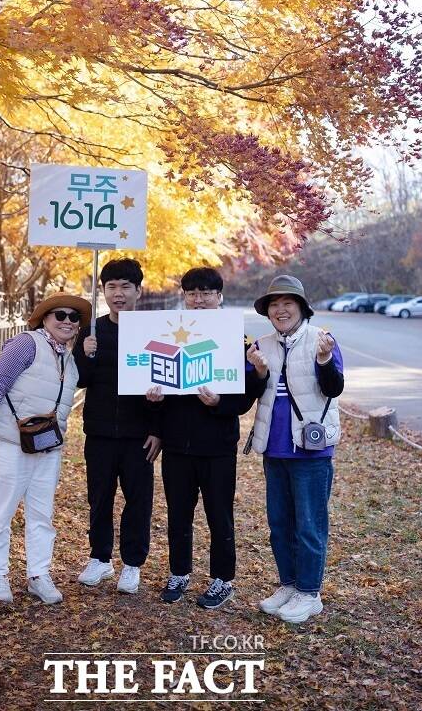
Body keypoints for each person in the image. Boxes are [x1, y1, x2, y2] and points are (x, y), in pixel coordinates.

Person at [0, 292, 91, 605]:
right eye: (60, 315)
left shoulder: (68, 358)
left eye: (74, 317)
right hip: (11, 445)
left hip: (48, 447)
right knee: (2, 511)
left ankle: (38, 574)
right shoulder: (26, 344)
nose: (68, 321)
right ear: (44, 317)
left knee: (42, 514)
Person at [147, 267, 269, 609]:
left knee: (219, 514)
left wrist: (220, 403)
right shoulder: (169, 334)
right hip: (176, 445)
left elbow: (246, 395)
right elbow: (152, 380)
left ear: (219, 297)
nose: (198, 300)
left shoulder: (238, 339)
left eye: (206, 293)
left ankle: (222, 579)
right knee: (178, 513)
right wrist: (153, 401)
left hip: (217, 445)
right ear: (184, 298)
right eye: (192, 293)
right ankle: (179, 572)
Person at [250, 275, 344, 623]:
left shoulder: (322, 340)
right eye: (274, 304)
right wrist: (257, 372)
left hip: (310, 449)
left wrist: (324, 360)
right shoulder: (262, 344)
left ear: (302, 308)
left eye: (287, 303)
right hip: (274, 449)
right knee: (279, 523)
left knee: (309, 524)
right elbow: (252, 392)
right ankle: (288, 585)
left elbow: (334, 388)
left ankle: (309, 593)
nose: (280, 309)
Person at [73, 258, 161, 595]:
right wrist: (85, 353)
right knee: (99, 498)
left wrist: (157, 429)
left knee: (138, 500)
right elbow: (79, 380)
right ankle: (100, 557)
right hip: (98, 431)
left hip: (140, 434)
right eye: (111, 287)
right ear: (103, 291)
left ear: (138, 290)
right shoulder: (91, 331)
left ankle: (133, 563)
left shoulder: (153, 331)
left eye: (125, 286)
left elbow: (166, 384)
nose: (118, 293)